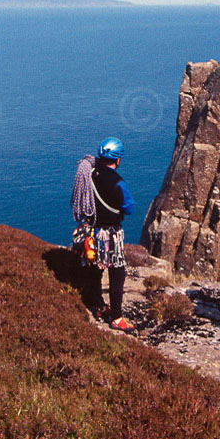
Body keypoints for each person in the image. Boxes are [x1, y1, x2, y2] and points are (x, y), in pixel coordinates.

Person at [82, 137, 136, 332]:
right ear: (118, 159)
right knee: (117, 272)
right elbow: (128, 208)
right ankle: (117, 317)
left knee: (96, 268)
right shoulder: (118, 183)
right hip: (111, 234)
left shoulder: (90, 175)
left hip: (93, 231)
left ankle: (98, 305)